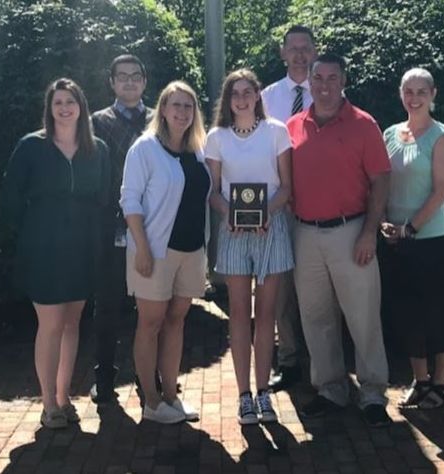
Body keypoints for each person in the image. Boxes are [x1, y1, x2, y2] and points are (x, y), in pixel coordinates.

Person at [287, 53, 392, 427]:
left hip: (352, 231)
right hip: (305, 232)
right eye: (319, 78)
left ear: (343, 81)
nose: (325, 86)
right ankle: (331, 388)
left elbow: (381, 180)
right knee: (316, 316)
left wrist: (369, 233)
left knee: (363, 315)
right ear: (309, 82)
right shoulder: (293, 126)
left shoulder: (364, 125)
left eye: (333, 78)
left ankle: (373, 392)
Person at [2, 78, 110, 429]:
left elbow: (105, 199)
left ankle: (64, 397)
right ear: (49, 108)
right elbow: (11, 198)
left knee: (72, 323)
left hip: (82, 248)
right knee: (50, 325)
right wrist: (22, 239)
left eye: (70, 101)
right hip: (43, 249)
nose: (65, 108)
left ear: (82, 106)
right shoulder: (31, 146)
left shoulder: (98, 149)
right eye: (58, 102)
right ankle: (48, 403)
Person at [205, 69, 293, 424]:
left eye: (247, 92)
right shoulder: (216, 137)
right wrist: (230, 214)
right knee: (239, 313)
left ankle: (264, 392)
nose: (241, 99)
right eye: (234, 93)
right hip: (233, 231)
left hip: (272, 228)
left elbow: (286, 187)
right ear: (227, 100)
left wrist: (266, 213)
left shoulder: (277, 132)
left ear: (258, 95)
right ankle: (244, 396)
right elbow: (213, 192)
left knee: (266, 315)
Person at [121, 81, 210, 424]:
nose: (182, 112)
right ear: (162, 109)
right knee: (151, 323)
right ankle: (152, 401)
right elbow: (129, 200)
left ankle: (171, 395)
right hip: (155, 251)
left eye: (188, 106)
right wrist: (142, 248)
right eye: (176, 105)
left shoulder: (198, 149)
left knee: (176, 321)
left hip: (192, 250)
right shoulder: (145, 148)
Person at [379, 68, 444, 408]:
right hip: (396, 240)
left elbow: (441, 191)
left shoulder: (442, 136)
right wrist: (384, 222)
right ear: (401, 94)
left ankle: (442, 383)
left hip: (432, 239)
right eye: (408, 91)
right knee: (406, 312)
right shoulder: (390, 133)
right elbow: (381, 183)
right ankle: (421, 381)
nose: (414, 98)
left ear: (433, 94)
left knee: (436, 310)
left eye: (421, 92)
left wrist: (410, 228)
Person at [89, 54, 154, 404]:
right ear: (112, 82)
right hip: (110, 223)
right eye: (122, 76)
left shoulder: (159, 119)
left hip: (153, 223)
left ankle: (149, 376)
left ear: (144, 81)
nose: (129, 82)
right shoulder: (97, 122)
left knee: (151, 303)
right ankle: (104, 375)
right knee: (108, 303)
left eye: (135, 76)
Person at [260, 24, 317, 392]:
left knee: (316, 289)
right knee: (280, 290)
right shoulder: (266, 98)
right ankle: (289, 359)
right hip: (279, 207)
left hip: (318, 205)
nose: (299, 54)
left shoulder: (329, 92)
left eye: (305, 47)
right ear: (282, 53)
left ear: (314, 51)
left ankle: (321, 361)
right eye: (292, 48)